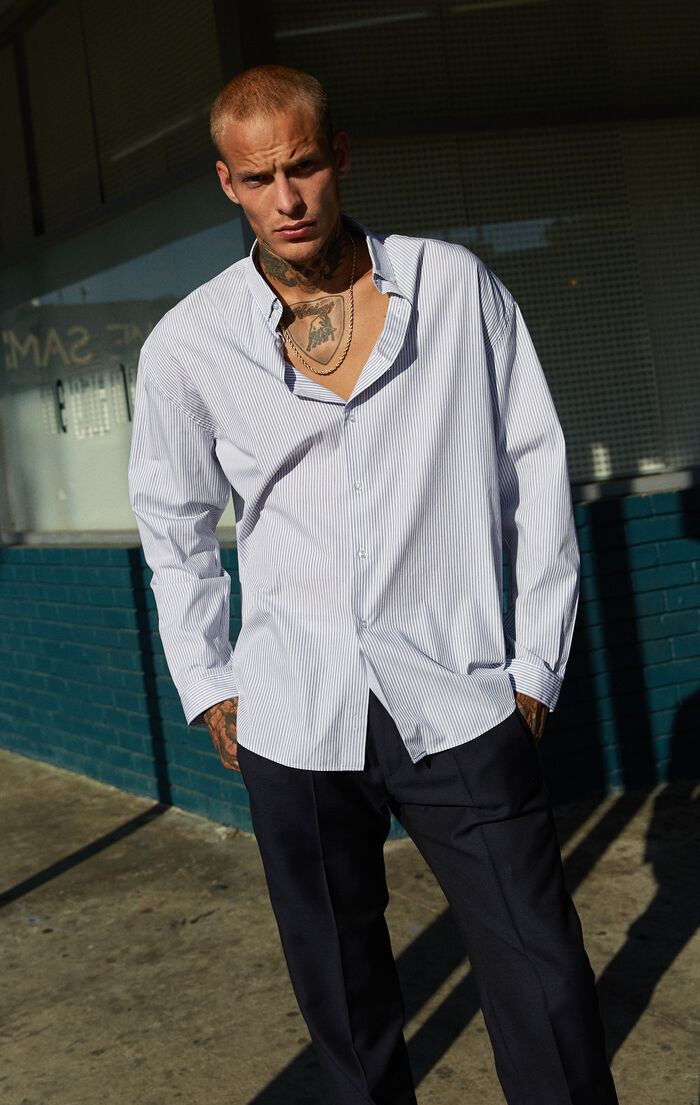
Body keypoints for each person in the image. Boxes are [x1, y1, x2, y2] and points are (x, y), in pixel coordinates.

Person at [128, 64, 618, 1105]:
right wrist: (210, 680)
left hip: (459, 691)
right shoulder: (187, 346)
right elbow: (171, 522)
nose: (289, 198)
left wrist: (534, 666)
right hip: (294, 709)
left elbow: (533, 472)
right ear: (228, 183)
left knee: (547, 983)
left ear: (339, 155)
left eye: (303, 166)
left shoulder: (453, 287)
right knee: (345, 1013)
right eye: (260, 178)